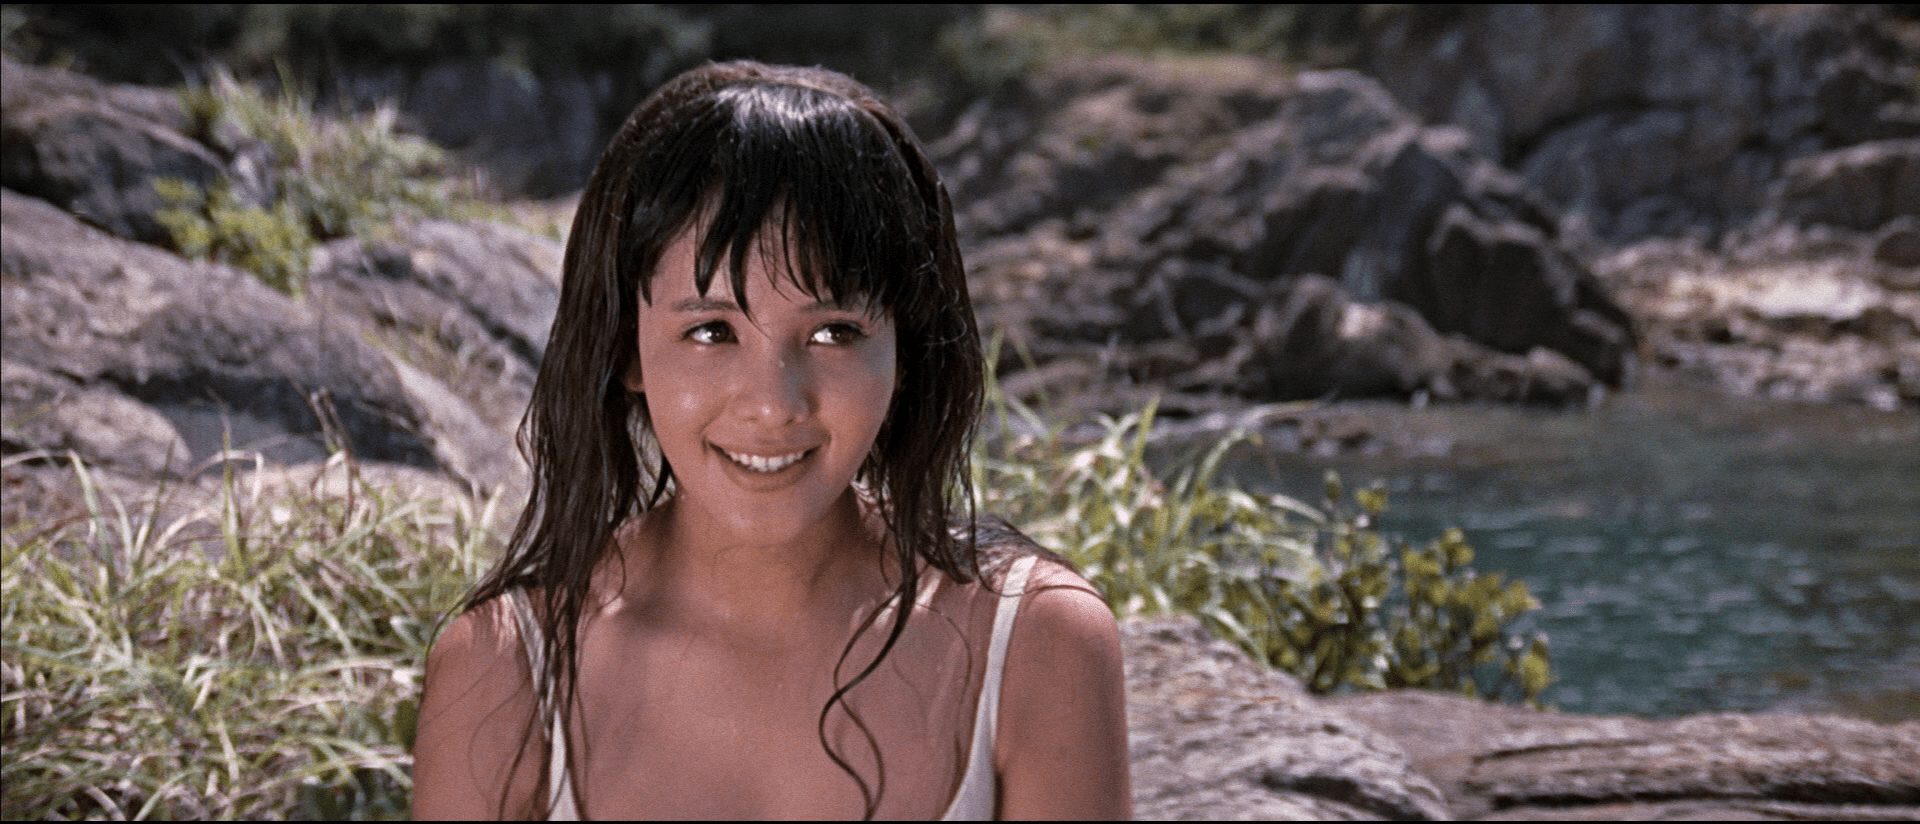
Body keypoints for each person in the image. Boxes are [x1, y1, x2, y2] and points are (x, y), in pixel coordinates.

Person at [409, 61, 1131, 820]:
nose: (772, 404)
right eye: (711, 331)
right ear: (626, 349)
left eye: (833, 332)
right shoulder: (502, 674)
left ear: (905, 350)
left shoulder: (1033, 645)